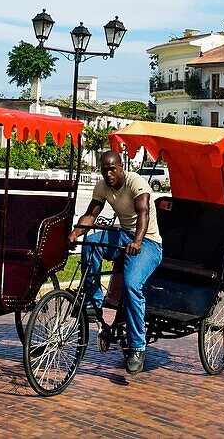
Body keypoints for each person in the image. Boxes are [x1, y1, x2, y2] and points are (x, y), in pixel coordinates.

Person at [68, 149, 162, 375]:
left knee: (131, 285)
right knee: (91, 243)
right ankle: (93, 300)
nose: (109, 174)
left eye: (112, 169)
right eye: (104, 170)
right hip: (123, 236)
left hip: (148, 242)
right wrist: (74, 234)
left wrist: (138, 241)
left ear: (121, 167)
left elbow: (143, 213)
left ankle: (137, 347)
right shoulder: (102, 186)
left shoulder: (135, 183)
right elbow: (91, 215)